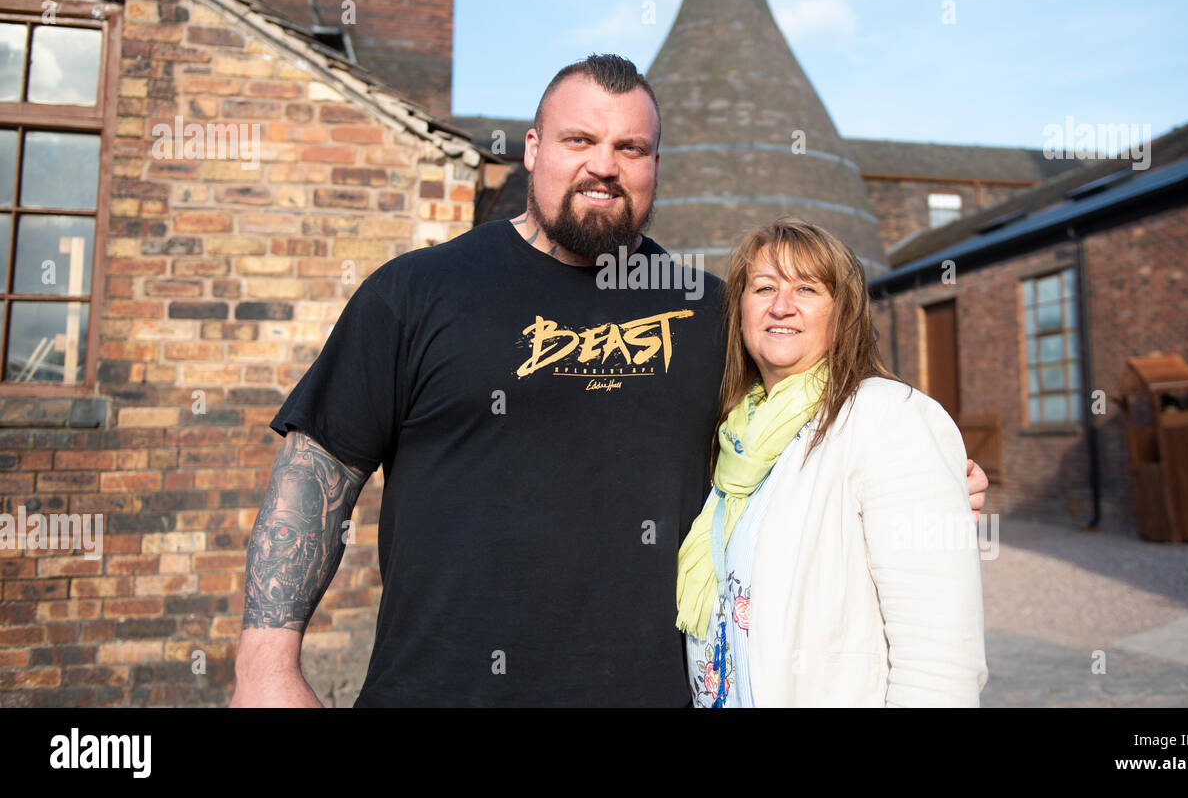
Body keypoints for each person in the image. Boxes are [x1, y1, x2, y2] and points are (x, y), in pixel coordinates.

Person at [230, 54, 988, 706]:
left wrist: (921, 474)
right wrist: (266, 661)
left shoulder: (708, 309)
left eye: (632, 147)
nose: (605, 164)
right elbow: (318, 467)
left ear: (655, 165)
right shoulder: (415, 293)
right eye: (580, 139)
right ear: (532, 149)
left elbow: (797, 423)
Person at [677, 217, 988, 707]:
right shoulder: (737, 435)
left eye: (807, 288)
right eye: (764, 288)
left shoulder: (887, 417)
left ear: (842, 313)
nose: (782, 306)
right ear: (740, 310)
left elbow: (939, 650)